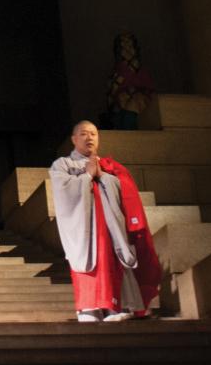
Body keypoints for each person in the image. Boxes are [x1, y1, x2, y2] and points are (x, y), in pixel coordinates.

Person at [50, 120, 161, 322]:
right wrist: (86, 177)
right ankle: (89, 307)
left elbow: (123, 190)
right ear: (74, 139)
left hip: (111, 227)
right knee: (89, 262)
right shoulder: (63, 165)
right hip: (85, 228)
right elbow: (62, 190)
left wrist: (102, 176)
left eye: (93, 134)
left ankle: (115, 305)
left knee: (112, 259)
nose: (89, 138)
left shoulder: (109, 166)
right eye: (83, 134)